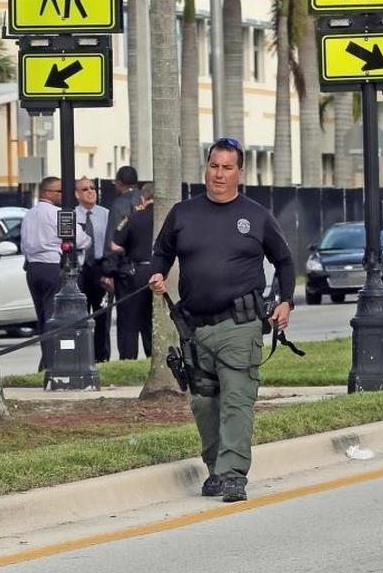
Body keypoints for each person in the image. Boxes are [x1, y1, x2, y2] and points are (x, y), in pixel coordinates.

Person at [148, 137, 296, 503]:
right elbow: (161, 253)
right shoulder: (183, 213)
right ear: (206, 168)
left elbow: (285, 261)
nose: (219, 174)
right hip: (194, 327)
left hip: (240, 325)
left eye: (227, 168)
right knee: (204, 403)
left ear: (239, 173)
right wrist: (157, 274)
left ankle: (232, 475)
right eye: (214, 166)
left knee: (236, 400)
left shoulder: (257, 216)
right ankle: (216, 468)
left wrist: (286, 302)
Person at [20, 177, 91, 371]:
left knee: (43, 317)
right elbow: (82, 240)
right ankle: (55, 362)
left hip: (34, 268)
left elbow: (24, 245)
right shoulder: (57, 214)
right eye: (59, 192)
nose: (63, 195)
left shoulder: (29, 215)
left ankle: (47, 361)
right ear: (47, 193)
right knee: (55, 317)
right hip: (53, 266)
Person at [111, 183, 155, 361]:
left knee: (130, 319)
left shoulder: (134, 217)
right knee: (152, 320)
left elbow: (115, 245)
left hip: (138, 272)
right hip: (162, 272)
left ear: (143, 198)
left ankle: (128, 358)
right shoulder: (169, 217)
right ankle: (155, 356)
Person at [75, 177, 112, 362]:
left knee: (102, 315)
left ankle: (101, 356)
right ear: (76, 194)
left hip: (100, 267)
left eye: (92, 188)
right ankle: (82, 356)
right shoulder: (72, 214)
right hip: (80, 269)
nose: (91, 192)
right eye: (85, 189)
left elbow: (111, 243)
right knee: (80, 316)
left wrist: (109, 272)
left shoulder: (105, 214)